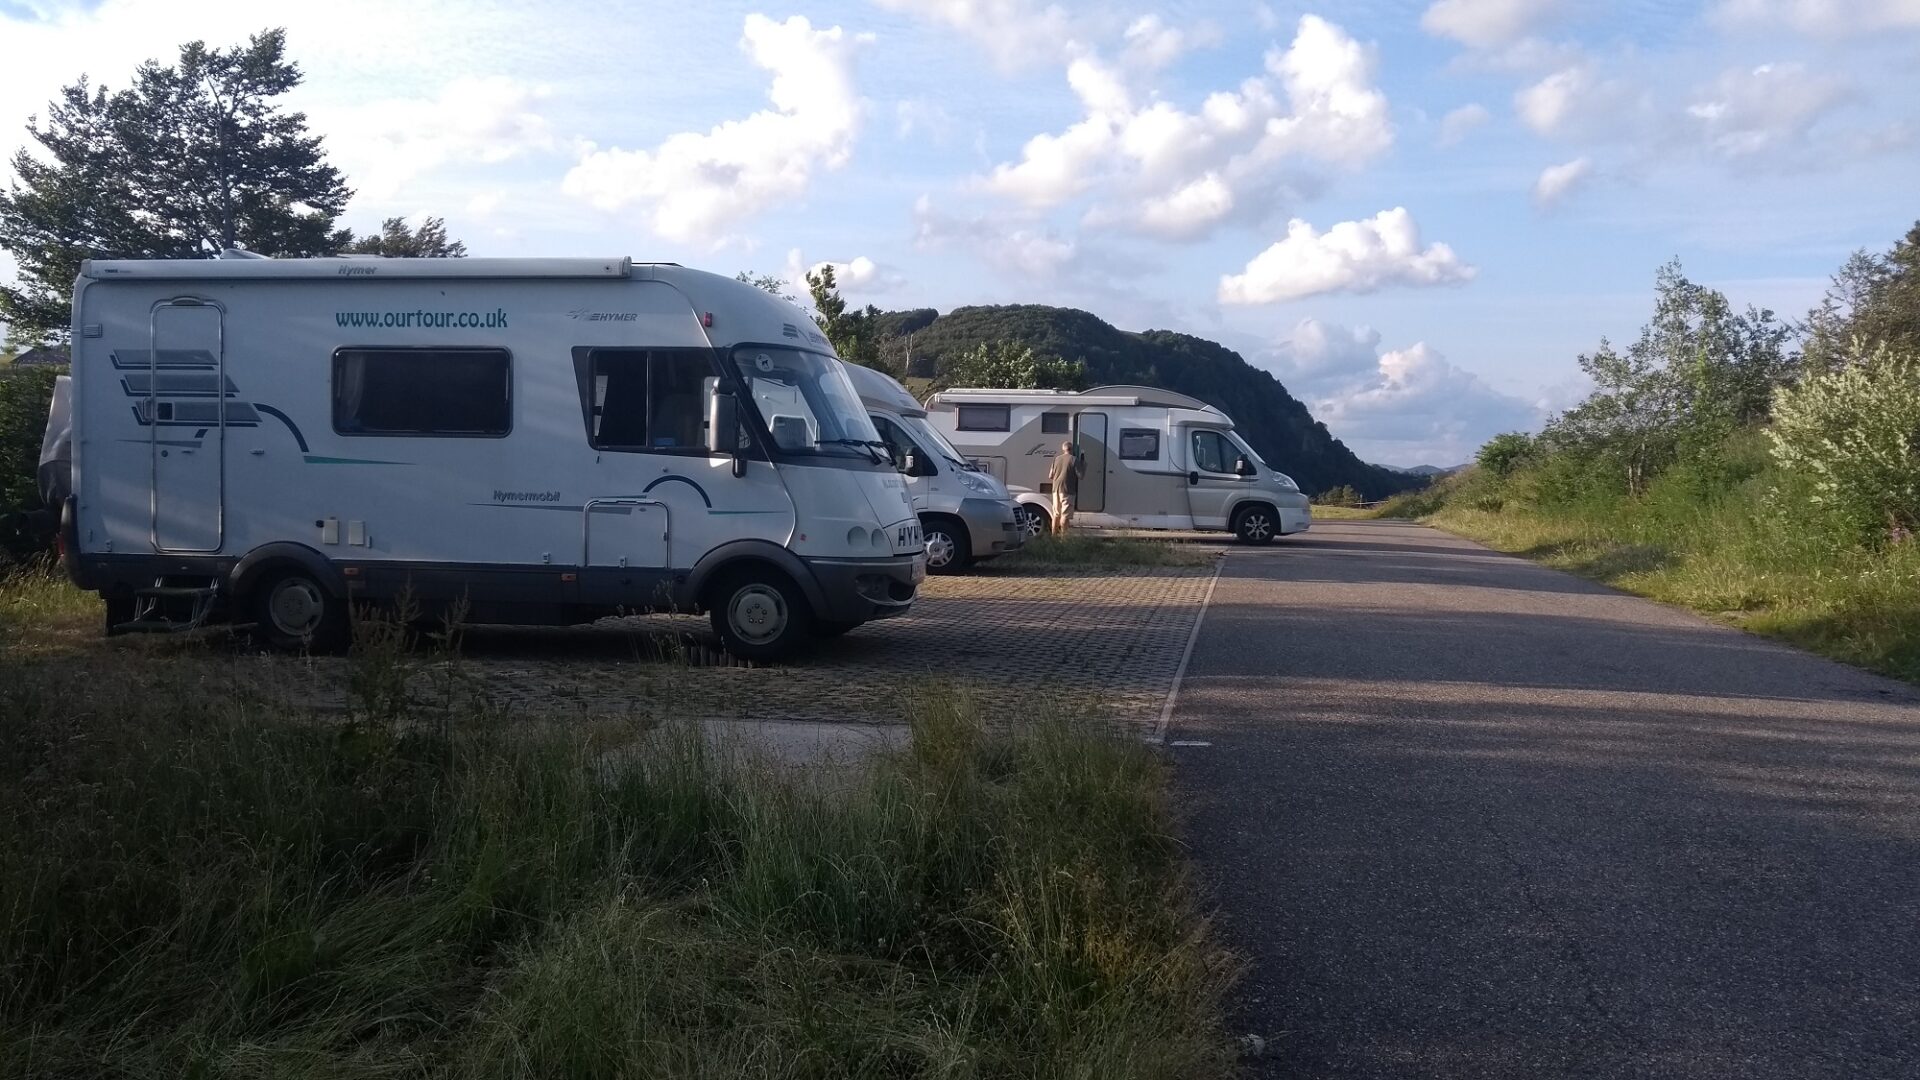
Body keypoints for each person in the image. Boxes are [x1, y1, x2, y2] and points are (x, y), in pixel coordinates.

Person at [1047, 439, 1084, 535]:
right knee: (1065, 515)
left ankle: (1053, 536)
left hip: (1055, 490)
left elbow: (1050, 475)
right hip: (1067, 490)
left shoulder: (1056, 459)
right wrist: (1082, 465)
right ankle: (1064, 539)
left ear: (1063, 449)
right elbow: (1081, 476)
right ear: (1072, 449)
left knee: (1056, 514)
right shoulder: (1074, 459)